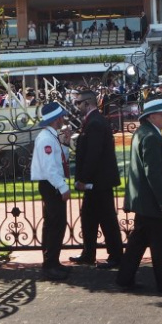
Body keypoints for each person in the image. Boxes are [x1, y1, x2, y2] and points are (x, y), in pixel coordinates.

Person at [116, 99, 162, 294]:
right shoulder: (150, 136)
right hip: (151, 202)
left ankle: (124, 278)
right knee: (160, 246)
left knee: (138, 242)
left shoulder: (144, 132)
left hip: (145, 201)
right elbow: (153, 173)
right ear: (151, 116)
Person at [69, 90, 124, 269]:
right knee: (89, 218)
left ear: (88, 103)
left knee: (106, 219)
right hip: (97, 181)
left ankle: (115, 256)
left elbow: (93, 154)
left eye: (78, 103)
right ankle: (89, 253)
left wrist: (83, 179)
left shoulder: (95, 122)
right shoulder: (93, 121)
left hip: (98, 181)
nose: (77, 107)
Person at [30, 103, 73, 281]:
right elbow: (50, 168)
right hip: (51, 185)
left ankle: (52, 262)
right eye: (62, 116)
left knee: (52, 224)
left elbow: (58, 158)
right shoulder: (47, 138)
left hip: (50, 184)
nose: (64, 119)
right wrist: (62, 187)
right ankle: (50, 264)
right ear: (57, 119)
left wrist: (66, 142)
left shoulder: (50, 136)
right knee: (56, 225)